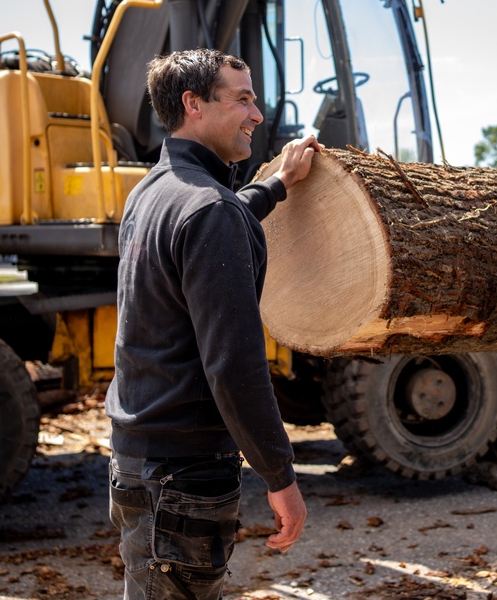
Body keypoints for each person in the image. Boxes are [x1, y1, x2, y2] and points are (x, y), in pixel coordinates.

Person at [106, 48, 321, 600]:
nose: (257, 115)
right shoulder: (208, 211)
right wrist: (281, 477)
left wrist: (276, 185)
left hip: (138, 463)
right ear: (193, 104)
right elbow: (235, 366)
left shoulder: (151, 192)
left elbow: (214, 218)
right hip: (183, 474)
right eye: (243, 99)